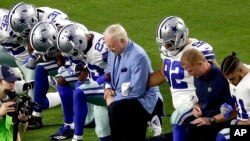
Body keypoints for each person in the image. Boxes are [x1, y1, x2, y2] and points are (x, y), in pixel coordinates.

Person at [147, 16, 218, 141]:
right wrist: (138, 84)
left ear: (181, 37)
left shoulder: (198, 51)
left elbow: (217, 78)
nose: (165, 46)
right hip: (183, 113)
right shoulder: (167, 52)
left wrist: (203, 103)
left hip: (198, 111)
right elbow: (163, 74)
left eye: (168, 43)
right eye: (163, 43)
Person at [7, 2, 70, 130]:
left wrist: (42, 56)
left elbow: (64, 51)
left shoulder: (56, 22)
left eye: (26, 32)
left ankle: (70, 124)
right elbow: (31, 46)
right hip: (53, 50)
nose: (23, 36)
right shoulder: (32, 22)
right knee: (41, 69)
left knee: (62, 81)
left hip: (69, 53)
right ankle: (36, 115)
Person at [103, 23, 160, 141]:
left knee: (115, 109)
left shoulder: (138, 56)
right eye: (108, 45)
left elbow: (137, 90)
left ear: (123, 41)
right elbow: (108, 70)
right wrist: (108, 88)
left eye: (112, 46)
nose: (109, 49)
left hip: (143, 99)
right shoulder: (112, 50)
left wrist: (114, 100)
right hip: (123, 96)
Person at [55, 23, 111, 141]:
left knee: (80, 92)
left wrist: (105, 77)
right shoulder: (85, 38)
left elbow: (119, 67)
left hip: (113, 87)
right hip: (99, 84)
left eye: (74, 52)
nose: (73, 56)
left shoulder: (102, 51)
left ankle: (77, 137)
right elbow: (86, 66)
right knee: (103, 134)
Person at [179, 48, 235, 141]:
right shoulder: (197, 75)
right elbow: (203, 97)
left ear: (200, 64)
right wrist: (197, 106)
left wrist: (210, 120)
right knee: (185, 129)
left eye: (190, 70)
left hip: (220, 122)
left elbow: (235, 111)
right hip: (204, 118)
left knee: (191, 132)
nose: (189, 74)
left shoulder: (223, 79)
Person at [216, 52, 250, 141]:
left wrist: (237, 123)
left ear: (241, 71)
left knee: (223, 136)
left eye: (231, 79)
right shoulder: (238, 73)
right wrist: (230, 107)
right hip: (242, 123)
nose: (230, 82)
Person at [0, 64, 29, 141]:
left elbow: (19, 132)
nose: (13, 83)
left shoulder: (12, 99)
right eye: (9, 80)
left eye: (13, 80)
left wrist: (23, 120)